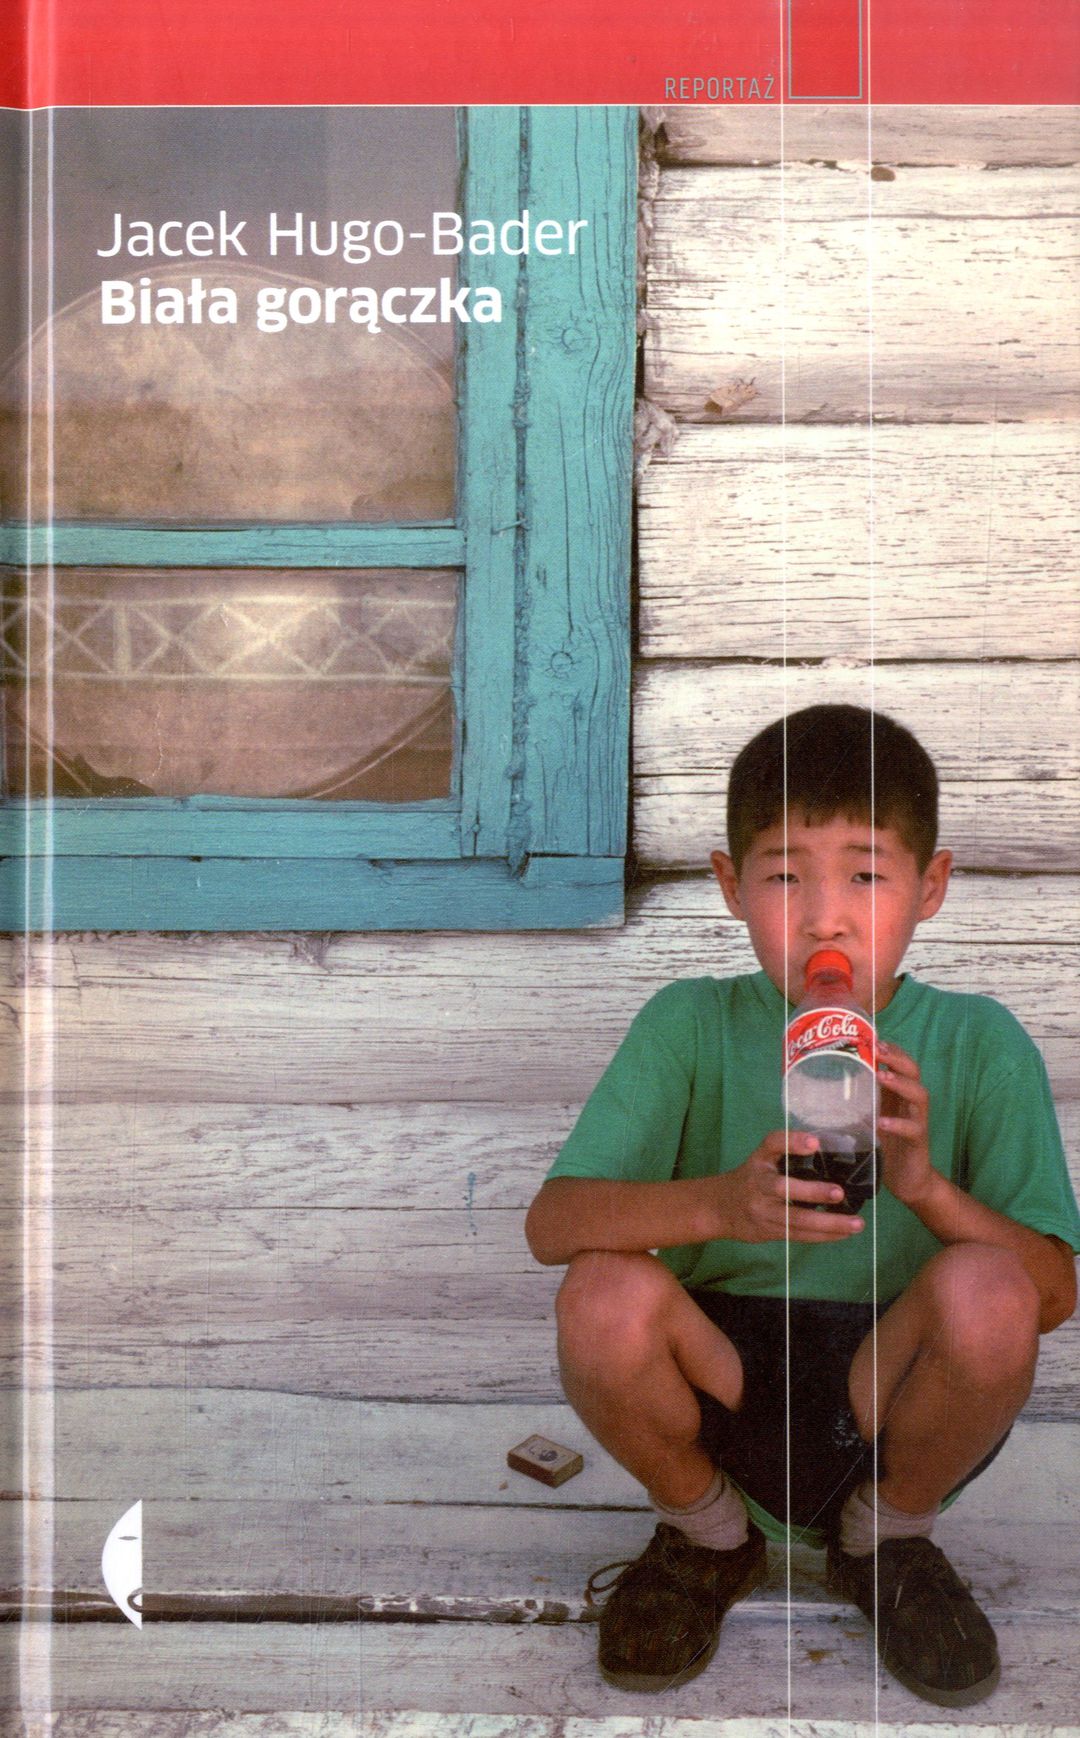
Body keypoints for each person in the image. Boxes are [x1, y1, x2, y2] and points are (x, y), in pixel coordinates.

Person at [525, 704, 1080, 1708]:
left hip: (890, 1382)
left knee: (988, 1287)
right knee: (601, 1294)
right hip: (721, 1375)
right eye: (785, 877)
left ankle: (887, 1540)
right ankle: (708, 1533)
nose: (827, 918)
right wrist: (721, 1204)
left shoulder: (980, 1041)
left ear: (931, 887)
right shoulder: (691, 1023)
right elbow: (552, 1226)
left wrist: (924, 1187)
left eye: (867, 876)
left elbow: (1049, 1293)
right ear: (730, 886)